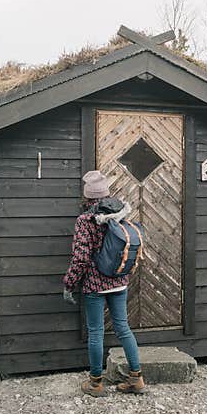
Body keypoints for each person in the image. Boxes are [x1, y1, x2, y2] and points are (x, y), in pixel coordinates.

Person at [63, 170, 146, 397]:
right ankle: (136, 378)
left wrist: (69, 284)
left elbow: (80, 258)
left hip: (94, 285)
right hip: (119, 281)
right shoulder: (119, 213)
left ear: (87, 196)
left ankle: (96, 383)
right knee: (123, 328)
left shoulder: (85, 221)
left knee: (96, 332)